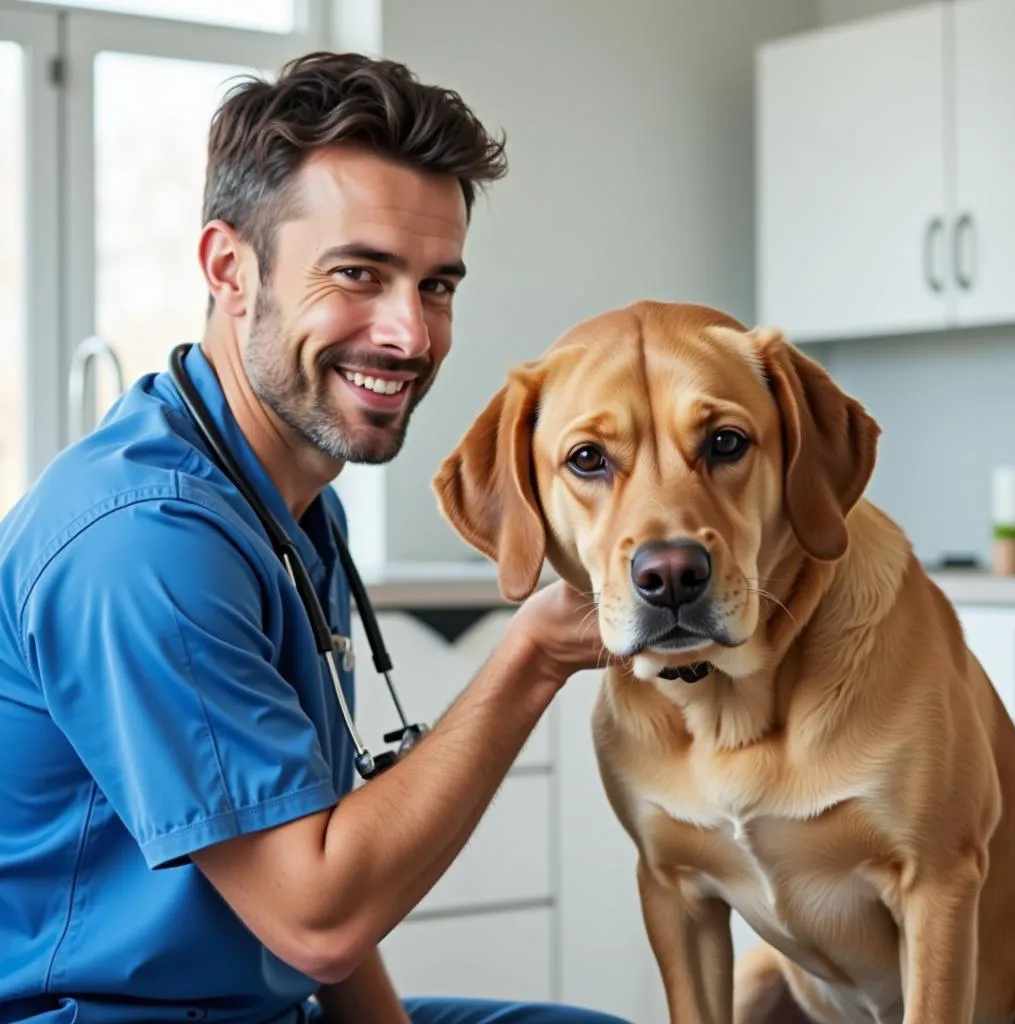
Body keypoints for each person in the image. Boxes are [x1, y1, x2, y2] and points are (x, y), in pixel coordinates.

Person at [0, 51, 628, 1024]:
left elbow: (321, 912)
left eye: (436, 286)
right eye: (359, 274)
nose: (410, 335)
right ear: (228, 268)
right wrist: (534, 655)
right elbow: (317, 919)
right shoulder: (144, 543)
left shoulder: (287, 500)